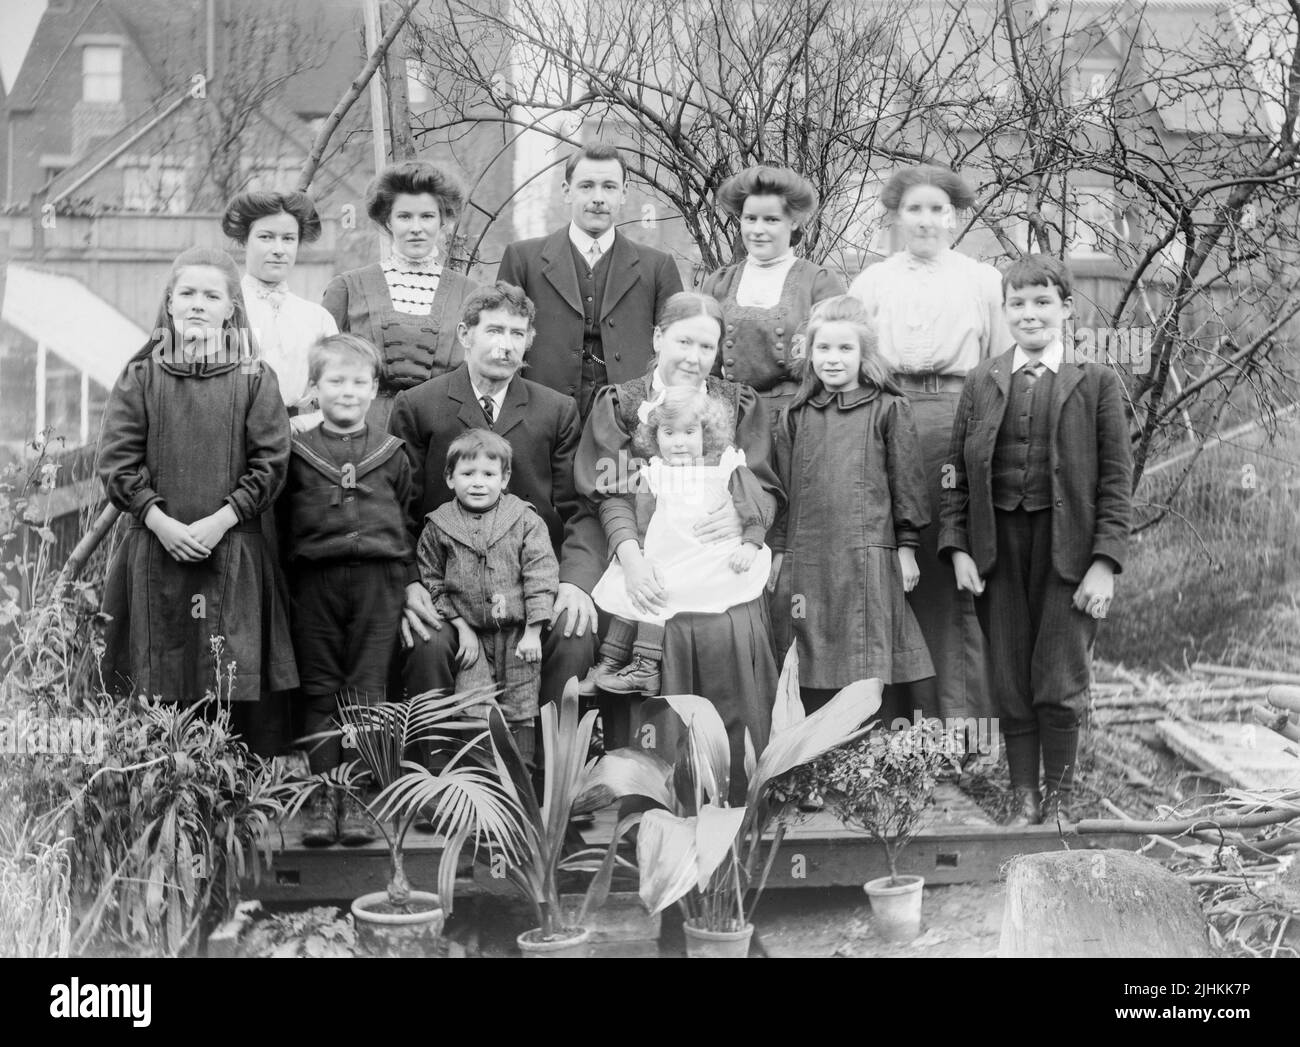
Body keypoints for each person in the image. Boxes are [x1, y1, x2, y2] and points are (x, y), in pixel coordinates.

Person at [939, 255, 1133, 826]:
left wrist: (1105, 563)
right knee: (1008, 679)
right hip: (997, 549)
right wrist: (957, 548)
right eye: (1018, 304)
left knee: (1058, 676)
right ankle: (1023, 795)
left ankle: (1060, 799)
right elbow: (954, 470)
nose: (1030, 314)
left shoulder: (1096, 382)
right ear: (1006, 311)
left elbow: (1117, 480)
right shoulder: (982, 381)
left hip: (1068, 551)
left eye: (1042, 302)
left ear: (1066, 309)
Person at [576, 291, 782, 800]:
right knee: (646, 611)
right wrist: (632, 556)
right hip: (649, 558)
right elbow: (613, 490)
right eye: (683, 341)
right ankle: (653, 797)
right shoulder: (622, 403)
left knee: (725, 629)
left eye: (706, 346)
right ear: (657, 339)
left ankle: (737, 792)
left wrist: (742, 516)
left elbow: (765, 485)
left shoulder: (738, 403)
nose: (693, 356)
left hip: (720, 567)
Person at [97, 247, 297, 756]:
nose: (198, 306)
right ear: (169, 302)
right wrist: (159, 522)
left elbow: (270, 465)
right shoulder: (141, 376)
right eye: (187, 293)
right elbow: (117, 465)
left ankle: (229, 814)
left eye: (212, 296)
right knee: (159, 687)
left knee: (225, 683)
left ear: (232, 308)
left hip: (232, 553)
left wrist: (221, 520)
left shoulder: (255, 378)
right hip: (156, 554)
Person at [848, 163, 1009, 735]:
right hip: (885, 418)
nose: (926, 220)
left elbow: (1001, 366)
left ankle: (959, 729)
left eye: (938, 209)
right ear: (895, 215)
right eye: (914, 209)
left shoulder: (983, 280)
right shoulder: (870, 284)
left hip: (957, 421)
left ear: (956, 217)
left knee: (948, 567)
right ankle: (887, 727)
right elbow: (851, 362)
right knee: (889, 564)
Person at [389, 282, 602, 709]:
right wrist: (410, 584)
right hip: (448, 587)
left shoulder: (555, 410)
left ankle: (549, 767)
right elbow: (396, 513)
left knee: (574, 633)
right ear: (465, 334)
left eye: (517, 334)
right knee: (427, 640)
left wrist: (575, 583)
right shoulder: (419, 405)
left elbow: (579, 509)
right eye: (494, 331)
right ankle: (440, 769)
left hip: (533, 586)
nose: (507, 346)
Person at [279, 334, 416, 847]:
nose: (348, 392)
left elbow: (405, 518)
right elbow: (282, 521)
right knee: (319, 688)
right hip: (313, 584)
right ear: (314, 388)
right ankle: (320, 795)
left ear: (376, 389)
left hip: (379, 585)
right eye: (335, 381)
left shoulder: (392, 454)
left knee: (367, 689)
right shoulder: (297, 453)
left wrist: (407, 585)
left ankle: (358, 796)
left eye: (360, 382)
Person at [770, 296, 933, 714]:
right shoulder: (795, 415)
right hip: (807, 562)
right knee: (807, 652)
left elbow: (908, 487)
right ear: (809, 354)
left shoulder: (888, 409)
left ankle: (872, 757)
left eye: (846, 349)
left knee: (866, 652)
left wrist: (908, 549)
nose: (833, 359)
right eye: (823, 348)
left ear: (864, 355)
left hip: (868, 558)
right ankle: (812, 757)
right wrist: (780, 554)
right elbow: (783, 493)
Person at [586, 386, 772, 697]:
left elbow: (753, 505)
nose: (680, 442)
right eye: (669, 433)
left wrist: (751, 544)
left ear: (705, 433)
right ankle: (610, 659)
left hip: (707, 554)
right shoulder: (655, 472)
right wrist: (640, 555)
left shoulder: (725, 467)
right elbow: (643, 514)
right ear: (655, 437)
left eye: (689, 432)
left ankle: (646, 666)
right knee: (629, 582)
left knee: (664, 590)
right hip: (667, 552)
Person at [496, 142, 683, 418]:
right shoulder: (523, 259)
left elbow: (676, 352)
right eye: (586, 186)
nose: (598, 198)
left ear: (624, 193)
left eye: (609, 187)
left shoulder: (657, 267)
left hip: (630, 422)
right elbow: (502, 346)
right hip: (541, 418)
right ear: (566, 191)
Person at [417, 429, 560, 766]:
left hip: (517, 634)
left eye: (488, 474)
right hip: (473, 638)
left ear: (505, 477)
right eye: (467, 474)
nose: (478, 483)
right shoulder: (438, 527)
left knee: (521, 703)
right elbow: (432, 578)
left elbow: (541, 572)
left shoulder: (525, 519)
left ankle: (519, 782)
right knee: (474, 702)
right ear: (450, 478)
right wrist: (459, 627)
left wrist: (534, 631)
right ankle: (482, 784)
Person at [323, 161, 479, 431]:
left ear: (444, 220)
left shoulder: (470, 294)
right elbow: (321, 370)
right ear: (387, 221)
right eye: (405, 217)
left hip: (445, 432)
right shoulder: (348, 288)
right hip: (366, 431)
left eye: (427, 216)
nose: (416, 227)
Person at [702, 165, 845, 426]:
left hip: (801, 420)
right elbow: (704, 365)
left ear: (793, 222)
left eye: (771, 220)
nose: (758, 229)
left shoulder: (818, 282)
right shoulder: (718, 284)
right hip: (732, 421)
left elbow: (841, 362)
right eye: (750, 218)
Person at [222, 189, 338, 430]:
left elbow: (337, 392)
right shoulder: (223, 311)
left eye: (288, 238)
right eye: (266, 237)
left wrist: (301, 425)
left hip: (300, 439)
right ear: (245, 240)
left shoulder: (317, 319)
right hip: (232, 435)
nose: (279, 249)